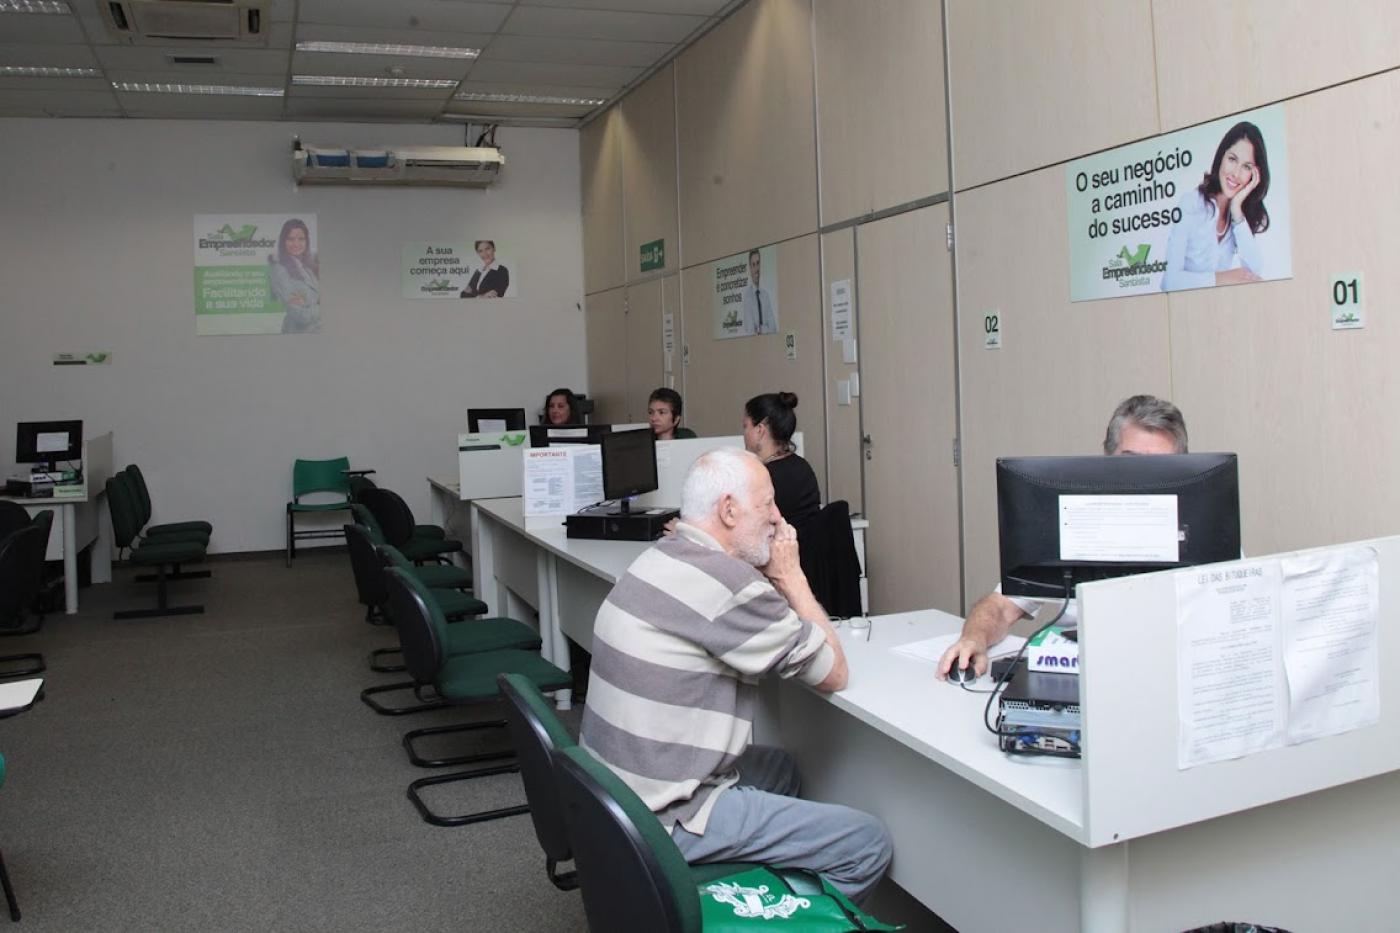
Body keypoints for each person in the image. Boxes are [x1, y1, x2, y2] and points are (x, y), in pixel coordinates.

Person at [580, 447, 892, 903]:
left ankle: (750, 885)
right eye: (767, 504)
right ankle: (781, 913)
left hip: (611, 800)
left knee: (780, 769)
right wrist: (790, 575)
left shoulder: (663, 554)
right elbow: (832, 671)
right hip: (664, 816)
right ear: (729, 510)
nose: (777, 518)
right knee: (867, 842)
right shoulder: (728, 584)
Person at [937, 394, 1189, 680]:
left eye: (1158, 467)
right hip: (1079, 680)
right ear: (1106, 460)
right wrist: (974, 639)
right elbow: (1000, 606)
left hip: (1166, 680)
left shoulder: (1204, 539)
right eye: (1130, 462)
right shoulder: (1071, 526)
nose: (1142, 478)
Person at [1160, 121, 1272, 292]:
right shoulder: (1191, 203)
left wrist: (1236, 210)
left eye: (1246, 167)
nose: (1235, 173)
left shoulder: (1236, 216)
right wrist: (1225, 278)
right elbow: (1169, 282)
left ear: (1254, 175)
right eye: (1232, 159)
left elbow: (1254, 271)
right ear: (1221, 157)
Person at [744, 391, 820, 530]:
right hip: (806, 549)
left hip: (780, 549)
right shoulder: (803, 467)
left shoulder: (763, 478)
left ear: (760, 430)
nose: (744, 434)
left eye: (745, 426)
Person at [267, 218, 320, 334]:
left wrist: (310, 304)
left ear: (307, 241)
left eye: (301, 239)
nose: (296, 244)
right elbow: (302, 316)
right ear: (283, 241)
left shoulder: (307, 268)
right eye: (291, 239)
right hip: (297, 335)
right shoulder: (279, 271)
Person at [739, 248, 778, 335]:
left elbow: (773, 328)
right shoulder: (747, 297)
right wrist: (766, 328)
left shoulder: (765, 295)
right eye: (753, 265)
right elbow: (750, 330)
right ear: (750, 268)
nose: (756, 268)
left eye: (758, 263)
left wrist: (760, 329)